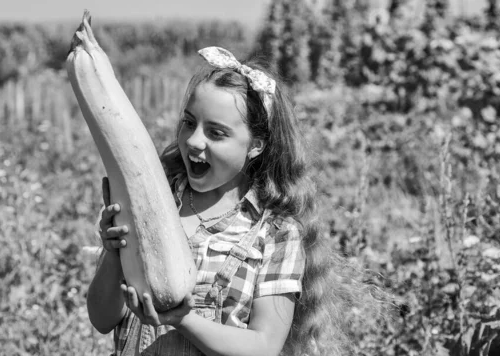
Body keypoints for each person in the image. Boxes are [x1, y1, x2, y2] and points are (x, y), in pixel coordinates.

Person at [87, 46, 387, 356]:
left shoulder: (274, 234)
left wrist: (185, 319)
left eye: (216, 133)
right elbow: (102, 318)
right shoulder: (150, 205)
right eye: (189, 123)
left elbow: (263, 346)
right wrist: (112, 255)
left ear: (256, 145)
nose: (193, 141)